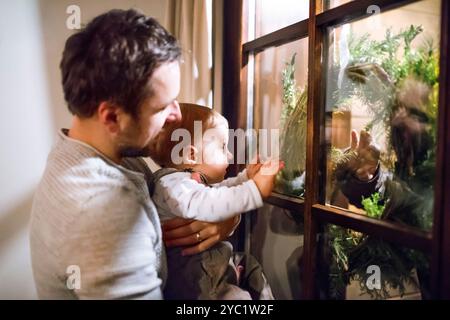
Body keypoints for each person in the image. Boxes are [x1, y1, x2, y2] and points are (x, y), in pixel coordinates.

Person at [30, 9, 240, 299]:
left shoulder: (101, 152)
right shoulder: (104, 214)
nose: (177, 115)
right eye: (163, 107)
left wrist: (223, 221)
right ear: (113, 118)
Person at [149, 103, 282, 299]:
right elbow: (209, 202)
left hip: (212, 265)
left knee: (250, 264)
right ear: (191, 155)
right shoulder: (171, 184)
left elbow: (216, 192)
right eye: (222, 147)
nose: (229, 154)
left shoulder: (186, 182)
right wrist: (254, 190)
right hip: (199, 281)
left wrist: (245, 178)